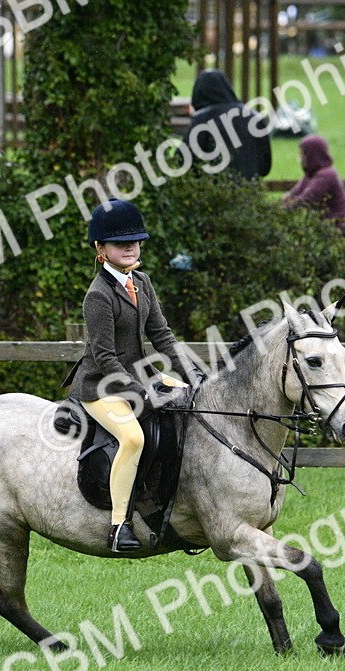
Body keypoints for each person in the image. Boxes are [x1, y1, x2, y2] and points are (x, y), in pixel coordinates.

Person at [63, 199, 200, 553]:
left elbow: (163, 336)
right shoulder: (98, 295)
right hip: (100, 386)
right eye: (119, 242)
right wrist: (142, 391)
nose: (129, 247)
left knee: (188, 402)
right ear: (100, 248)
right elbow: (106, 358)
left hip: (137, 375)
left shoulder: (142, 282)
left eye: (135, 241)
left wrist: (194, 376)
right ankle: (119, 524)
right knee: (133, 438)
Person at [183, 69, 272, 181]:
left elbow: (184, 161)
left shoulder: (202, 120)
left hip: (212, 192)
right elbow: (265, 165)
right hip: (249, 191)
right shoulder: (254, 117)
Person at [282, 134, 345, 240]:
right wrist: (281, 203)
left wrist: (280, 212)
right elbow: (294, 192)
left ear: (311, 155)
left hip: (341, 232)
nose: (300, 158)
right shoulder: (311, 174)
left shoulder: (326, 175)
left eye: (303, 154)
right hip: (328, 230)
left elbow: (306, 200)